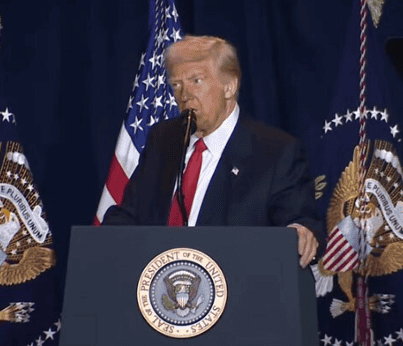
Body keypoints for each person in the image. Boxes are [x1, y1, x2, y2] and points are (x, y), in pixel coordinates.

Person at [103, 35, 324, 268]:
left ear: (230, 86)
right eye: (176, 85)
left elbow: (300, 222)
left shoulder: (276, 151)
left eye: (196, 81)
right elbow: (131, 214)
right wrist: (104, 238)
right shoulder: (163, 139)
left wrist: (300, 232)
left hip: (237, 290)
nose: (184, 94)